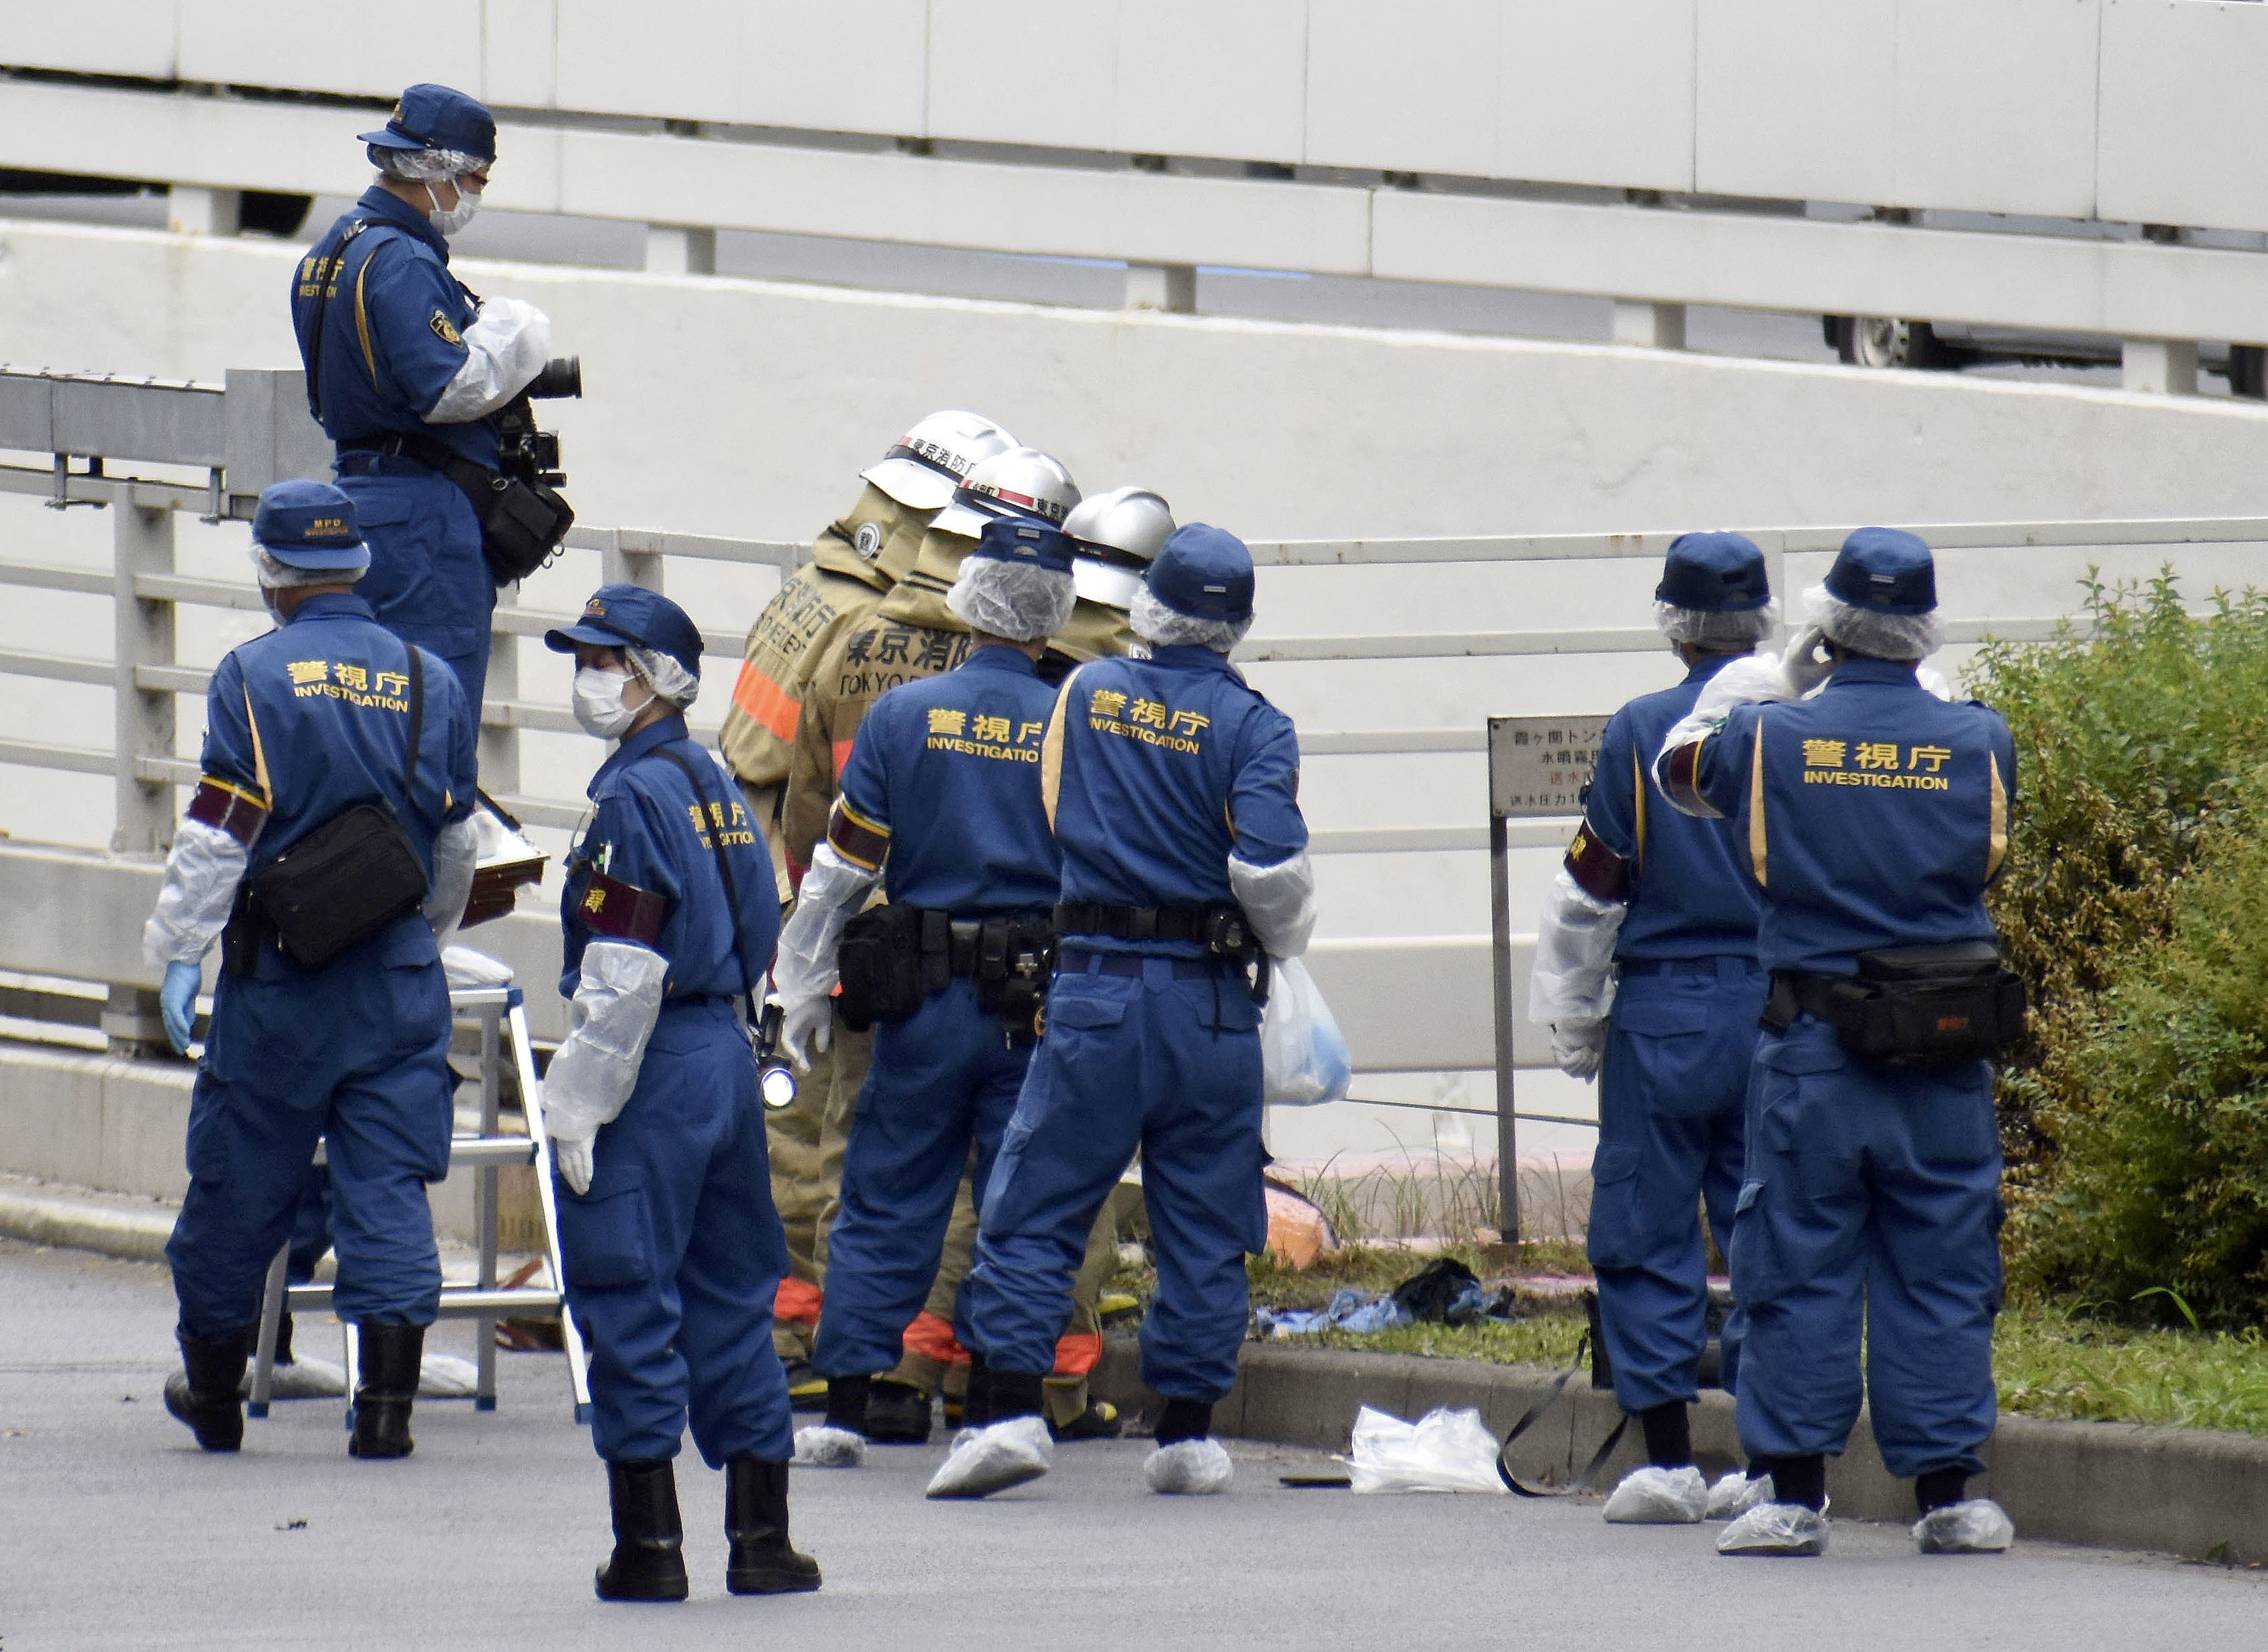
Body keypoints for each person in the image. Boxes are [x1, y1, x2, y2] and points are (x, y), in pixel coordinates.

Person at [1653, 527, 2018, 1559]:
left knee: (1796, 1263)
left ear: (1828, 623)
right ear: (1924, 630)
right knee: (1944, 1265)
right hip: (1947, 1047)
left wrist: (1776, 685)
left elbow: (1684, 770)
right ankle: (1951, 1496)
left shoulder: (1769, 739)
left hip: (1814, 1046)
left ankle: (1793, 1492)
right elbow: (1984, 850)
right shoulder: (1981, 740)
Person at [945, 524, 1311, 1500]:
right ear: (1236, 624)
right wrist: (1276, 938)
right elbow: (1270, 873)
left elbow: (1057, 809)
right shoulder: (1257, 726)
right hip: (1211, 1005)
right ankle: (1187, 1430)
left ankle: (1013, 1404)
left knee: (1040, 1196)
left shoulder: (1089, 692)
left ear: (1151, 604)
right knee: (1205, 1211)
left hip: (1098, 988)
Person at [144, 480, 478, 1461]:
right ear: (361, 565)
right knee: (387, 1186)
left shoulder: (250, 677)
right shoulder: (429, 678)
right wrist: (423, 936)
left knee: (239, 1189)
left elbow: (219, 836)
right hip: (396, 978)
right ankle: (385, 1410)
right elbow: (456, 844)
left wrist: (177, 951)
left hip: (281, 986)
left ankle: (213, 1395)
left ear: (268, 569)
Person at [861, 484, 1179, 1444]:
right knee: (1044, 1187)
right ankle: (1040, 1387)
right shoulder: (1105, 690)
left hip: (922, 971)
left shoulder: (899, 656)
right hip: (1056, 981)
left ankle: (901, 1371)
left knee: (913, 1184)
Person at [768, 517, 1080, 1467]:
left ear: (969, 592)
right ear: (1054, 612)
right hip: (1037, 1003)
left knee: (886, 1189)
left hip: (922, 998)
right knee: (1023, 1198)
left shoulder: (905, 716)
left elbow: (842, 864)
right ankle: (1005, 1401)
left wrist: (800, 980)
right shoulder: (1078, 717)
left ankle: (853, 1403)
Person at [716, 413, 1013, 1394]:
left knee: (810, 1131)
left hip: (788, 889)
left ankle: (809, 1329)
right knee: (866, 1140)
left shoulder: (819, 598)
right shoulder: (931, 641)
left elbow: (794, 778)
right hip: (876, 917)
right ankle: (881, 1348)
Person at [542, 584, 819, 1602]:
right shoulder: (715, 784)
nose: (590, 676)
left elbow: (622, 966)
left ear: (656, 677)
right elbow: (762, 938)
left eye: (606, 659)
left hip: (652, 1060)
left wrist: (579, 1096)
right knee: (732, 1293)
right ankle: (764, 1538)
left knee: (628, 1288)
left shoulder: (628, 799)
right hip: (725, 1058)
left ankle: (650, 1549)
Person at [1531, 533, 1777, 1527]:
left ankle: (1669, 1455)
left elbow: (1592, 891)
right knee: (1775, 1232)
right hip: (1781, 1004)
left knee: (1645, 1227)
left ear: (1670, 621)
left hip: (1666, 1009)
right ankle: (1775, 1459)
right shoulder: (1801, 720)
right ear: (1764, 615)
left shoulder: (1639, 728)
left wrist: (1575, 1019)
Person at [293, 81, 555, 719]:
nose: (474, 197)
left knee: (366, 710)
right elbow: (446, 387)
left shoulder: (327, 254)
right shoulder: (403, 260)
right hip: (421, 517)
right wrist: (513, 336)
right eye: (477, 181)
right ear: (439, 171)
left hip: (357, 495)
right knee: (435, 713)